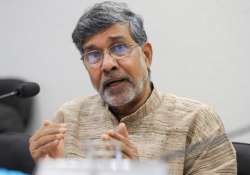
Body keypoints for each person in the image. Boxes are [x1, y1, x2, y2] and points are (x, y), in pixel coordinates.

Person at [29, 1, 237, 174]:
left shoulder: (197, 120)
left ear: (146, 55)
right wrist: (47, 167)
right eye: (93, 55)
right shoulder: (69, 117)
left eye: (119, 47)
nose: (107, 64)